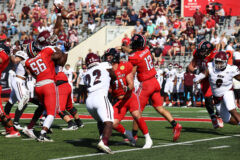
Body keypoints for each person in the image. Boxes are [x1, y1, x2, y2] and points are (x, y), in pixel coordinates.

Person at [122, 34, 182, 142]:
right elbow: (134, 52)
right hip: (155, 81)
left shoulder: (134, 57)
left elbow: (132, 69)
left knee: (136, 111)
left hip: (146, 85)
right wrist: (124, 48)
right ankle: (175, 124)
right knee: (159, 108)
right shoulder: (147, 49)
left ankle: (134, 136)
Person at [103, 48, 153, 148]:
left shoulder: (125, 66)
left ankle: (148, 138)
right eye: (107, 56)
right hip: (119, 100)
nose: (107, 58)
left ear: (115, 57)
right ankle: (128, 134)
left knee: (136, 115)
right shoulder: (106, 69)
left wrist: (127, 87)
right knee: (113, 123)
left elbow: (131, 83)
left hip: (130, 97)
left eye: (110, 56)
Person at [25, 31, 64, 142]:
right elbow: (58, 57)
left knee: (43, 106)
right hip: (48, 84)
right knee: (52, 112)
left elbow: (33, 74)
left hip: (38, 85)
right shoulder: (45, 52)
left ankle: (30, 126)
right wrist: (60, 49)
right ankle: (43, 134)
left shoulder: (28, 62)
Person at [194, 51, 240, 125]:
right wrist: (198, 78)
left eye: (220, 62)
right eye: (217, 62)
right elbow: (204, 73)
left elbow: (238, 77)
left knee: (231, 109)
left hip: (227, 91)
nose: (218, 64)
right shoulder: (211, 67)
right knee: (226, 119)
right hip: (217, 96)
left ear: (225, 62)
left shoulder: (231, 69)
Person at [83, 53, 116, 154]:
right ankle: (104, 142)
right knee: (109, 122)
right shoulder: (105, 64)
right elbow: (114, 76)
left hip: (89, 101)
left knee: (100, 121)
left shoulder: (85, 74)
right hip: (100, 96)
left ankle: (102, 138)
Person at [188, 40, 224, 128]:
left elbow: (210, 70)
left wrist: (200, 75)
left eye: (203, 51)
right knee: (207, 99)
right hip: (204, 78)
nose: (200, 53)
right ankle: (213, 118)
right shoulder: (197, 54)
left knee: (218, 97)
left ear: (208, 50)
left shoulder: (214, 55)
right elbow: (190, 66)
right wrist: (195, 71)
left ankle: (219, 115)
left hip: (215, 76)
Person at [4, 51, 29, 130]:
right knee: (24, 101)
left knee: (11, 102)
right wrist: (16, 57)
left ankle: (4, 120)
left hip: (20, 81)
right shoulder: (21, 57)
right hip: (18, 81)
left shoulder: (28, 60)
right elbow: (14, 59)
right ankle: (15, 123)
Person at [0, 43, 21, 138]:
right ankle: (9, 129)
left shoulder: (3, 55)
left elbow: (1, 59)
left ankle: (13, 131)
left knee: (1, 113)